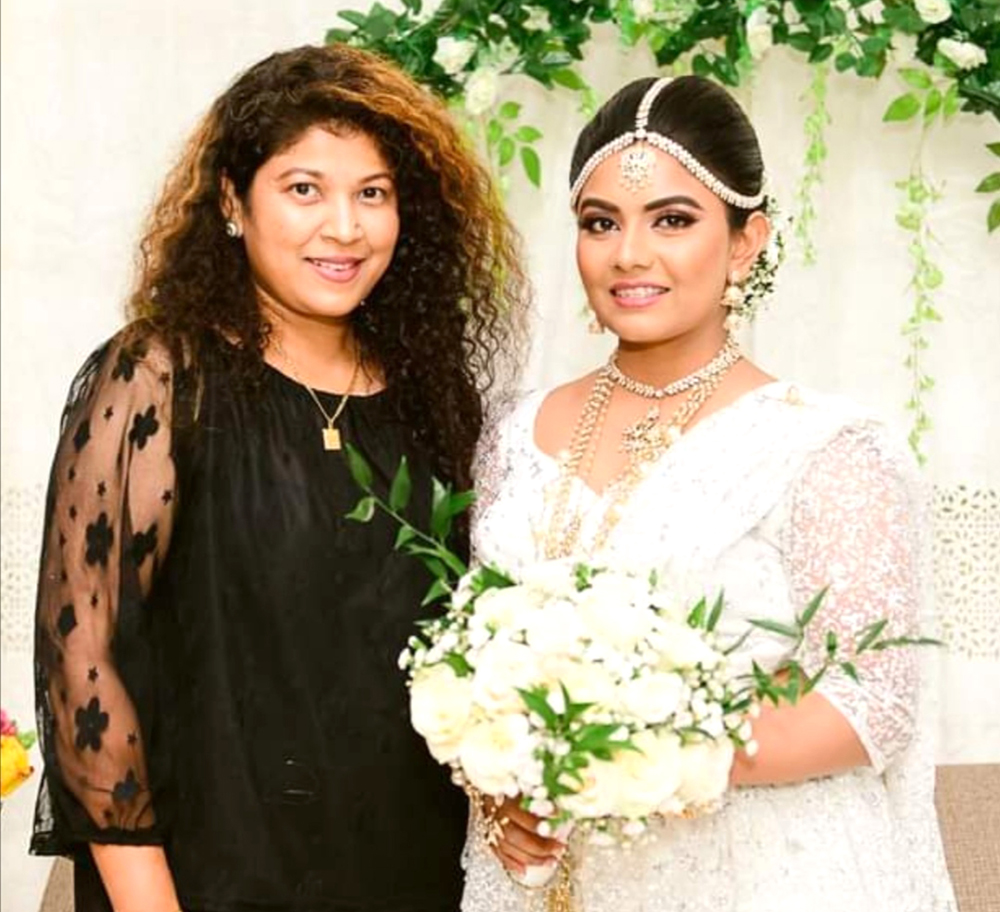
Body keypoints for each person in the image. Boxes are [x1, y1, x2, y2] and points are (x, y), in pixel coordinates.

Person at [30, 43, 527, 912]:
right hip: (205, 874)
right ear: (233, 200)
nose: (345, 227)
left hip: (406, 870)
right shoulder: (158, 379)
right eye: (305, 189)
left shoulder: (436, 401)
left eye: (372, 193)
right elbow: (86, 662)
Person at [462, 75, 956, 912]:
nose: (629, 255)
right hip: (551, 879)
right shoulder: (515, 432)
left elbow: (872, 700)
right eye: (600, 223)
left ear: (744, 241)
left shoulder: (823, 445)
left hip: (761, 876)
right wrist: (503, 791)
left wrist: (643, 756)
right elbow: (484, 666)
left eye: (674, 221)